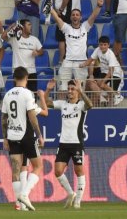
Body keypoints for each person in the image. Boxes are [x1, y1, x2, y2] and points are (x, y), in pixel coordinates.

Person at [44, 78, 93, 209]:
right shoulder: (62, 104)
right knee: (58, 171)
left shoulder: (82, 105)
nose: (70, 91)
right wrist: (48, 89)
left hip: (77, 143)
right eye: (69, 89)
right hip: (63, 144)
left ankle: (78, 201)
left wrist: (81, 91)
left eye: (73, 89)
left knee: (79, 171)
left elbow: (90, 105)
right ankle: (71, 194)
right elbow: (44, 102)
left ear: (77, 91)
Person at [1, 66, 44, 211]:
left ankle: (19, 204)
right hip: (26, 135)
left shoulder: (7, 95)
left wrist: (5, 138)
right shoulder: (27, 94)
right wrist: (39, 135)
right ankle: (25, 195)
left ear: (14, 78)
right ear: (26, 78)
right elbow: (32, 117)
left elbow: (3, 118)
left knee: (16, 170)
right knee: (38, 166)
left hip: (12, 136)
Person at [50, 0, 103, 92]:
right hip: (67, 61)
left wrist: (98, 6)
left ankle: (80, 106)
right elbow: (57, 19)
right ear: (70, 17)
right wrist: (51, 9)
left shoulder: (85, 27)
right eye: (73, 15)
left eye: (77, 15)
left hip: (81, 62)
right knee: (62, 89)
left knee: (80, 90)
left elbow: (93, 16)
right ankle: (62, 106)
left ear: (80, 17)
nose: (75, 16)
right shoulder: (66, 28)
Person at [80, 36, 124, 106]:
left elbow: (111, 71)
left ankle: (117, 96)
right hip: (105, 71)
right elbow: (90, 60)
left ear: (108, 45)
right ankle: (103, 98)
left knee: (101, 84)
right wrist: (82, 64)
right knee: (96, 82)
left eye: (105, 45)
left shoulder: (110, 55)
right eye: (101, 44)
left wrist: (103, 82)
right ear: (98, 44)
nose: (102, 46)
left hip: (116, 73)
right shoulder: (97, 50)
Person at [2, 19, 44, 92]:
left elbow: (41, 51)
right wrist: (12, 26)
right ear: (22, 27)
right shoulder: (14, 38)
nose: (31, 26)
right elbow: (3, 36)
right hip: (18, 71)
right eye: (29, 25)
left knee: (32, 95)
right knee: (18, 94)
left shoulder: (34, 39)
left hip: (31, 71)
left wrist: (37, 53)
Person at [52, 0, 81, 64]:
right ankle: (64, 60)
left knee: (63, 38)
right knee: (63, 38)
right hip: (66, 12)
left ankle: (63, 61)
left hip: (67, 13)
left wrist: (60, 9)